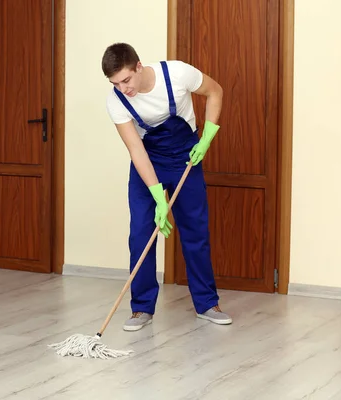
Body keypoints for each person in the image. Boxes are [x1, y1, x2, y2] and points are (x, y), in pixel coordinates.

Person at [102, 42, 232, 332]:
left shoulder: (176, 73)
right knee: (140, 235)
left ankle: (207, 304)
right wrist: (158, 197)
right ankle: (141, 308)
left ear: (138, 66)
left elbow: (215, 91)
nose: (124, 88)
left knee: (195, 232)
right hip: (149, 161)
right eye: (116, 83)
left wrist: (207, 137)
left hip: (187, 156)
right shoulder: (116, 101)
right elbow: (136, 149)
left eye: (126, 80)